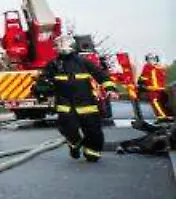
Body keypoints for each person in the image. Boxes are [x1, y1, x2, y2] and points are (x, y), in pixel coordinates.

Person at [35, 34, 119, 162]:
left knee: (93, 130)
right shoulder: (53, 64)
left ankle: (92, 151)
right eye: (59, 45)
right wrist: (42, 90)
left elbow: (101, 75)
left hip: (86, 102)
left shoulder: (83, 62)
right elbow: (43, 81)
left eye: (64, 44)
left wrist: (110, 89)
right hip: (65, 103)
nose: (62, 47)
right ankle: (75, 143)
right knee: (68, 128)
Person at [137, 53, 172, 121]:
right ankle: (162, 116)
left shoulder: (157, 67)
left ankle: (164, 116)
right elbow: (143, 78)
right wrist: (141, 84)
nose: (151, 61)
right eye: (149, 59)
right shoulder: (149, 67)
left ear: (156, 59)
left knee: (159, 101)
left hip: (158, 89)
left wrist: (141, 83)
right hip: (153, 89)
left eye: (153, 59)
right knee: (155, 100)